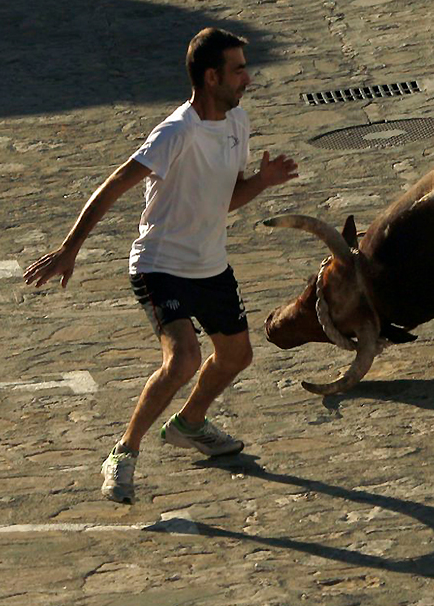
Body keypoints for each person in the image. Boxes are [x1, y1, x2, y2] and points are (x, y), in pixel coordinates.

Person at [23, 28, 299, 504]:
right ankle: (123, 454)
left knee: (236, 357)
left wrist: (263, 181)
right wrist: (71, 248)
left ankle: (190, 424)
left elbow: (226, 199)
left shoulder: (237, 124)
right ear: (211, 78)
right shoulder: (176, 133)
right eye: (237, 70)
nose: (247, 79)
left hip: (210, 265)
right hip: (160, 265)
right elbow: (114, 185)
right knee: (185, 359)